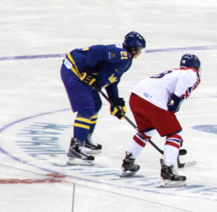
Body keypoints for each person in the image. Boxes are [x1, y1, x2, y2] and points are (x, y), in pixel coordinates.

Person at [60, 32, 146, 164]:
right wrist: (90, 70)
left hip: (82, 74)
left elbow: (112, 80)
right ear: (133, 48)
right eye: (139, 50)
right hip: (74, 71)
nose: (139, 53)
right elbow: (95, 51)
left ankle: (85, 138)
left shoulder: (126, 61)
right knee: (87, 109)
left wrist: (115, 101)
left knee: (96, 104)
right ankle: (76, 147)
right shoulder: (122, 54)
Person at [121, 54, 201, 187]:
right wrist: (176, 100)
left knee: (146, 130)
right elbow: (186, 78)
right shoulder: (191, 72)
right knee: (175, 134)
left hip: (136, 96)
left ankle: (128, 162)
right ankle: (168, 170)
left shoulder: (174, 71)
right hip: (152, 99)